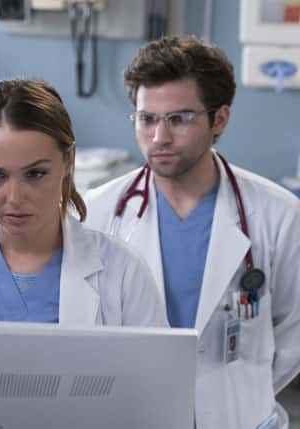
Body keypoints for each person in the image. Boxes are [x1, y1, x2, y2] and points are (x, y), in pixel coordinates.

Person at [84, 35, 300, 429]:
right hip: (135, 415)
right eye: (147, 119)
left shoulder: (278, 215)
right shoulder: (97, 213)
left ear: (220, 119)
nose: (160, 138)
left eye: (179, 119)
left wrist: (242, 390)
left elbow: (294, 333)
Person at [0, 79, 167, 328]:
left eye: (35, 174)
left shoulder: (124, 272)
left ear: (68, 161)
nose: (14, 198)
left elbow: (155, 366)